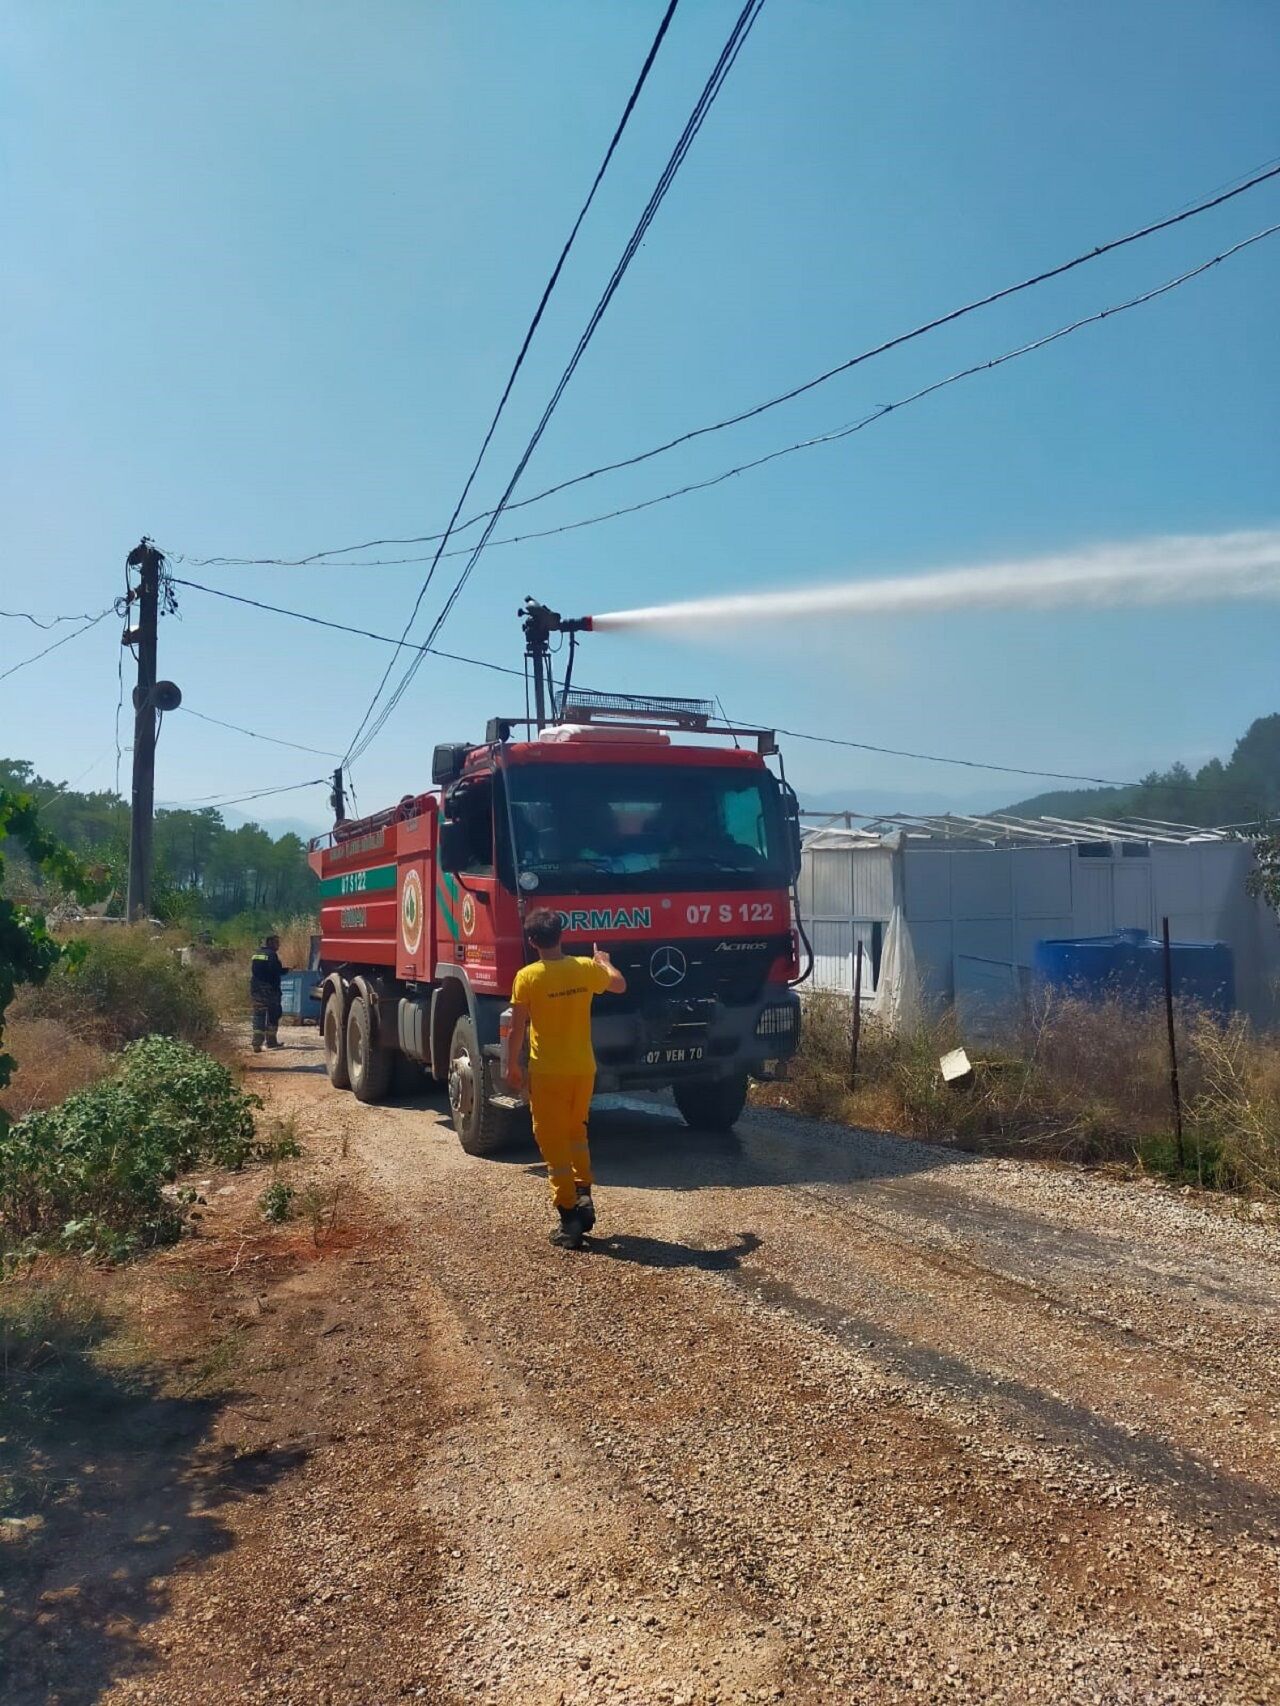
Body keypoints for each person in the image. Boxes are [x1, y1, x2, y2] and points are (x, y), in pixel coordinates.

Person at [508, 908, 626, 1249]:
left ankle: (568, 1215)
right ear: (563, 935)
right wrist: (603, 961)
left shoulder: (528, 977)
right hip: (583, 1068)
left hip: (547, 1070)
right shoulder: (585, 968)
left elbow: (517, 1028)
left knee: (551, 1140)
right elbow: (619, 985)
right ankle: (583, 1192)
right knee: (577, 1132)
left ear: (532, 942)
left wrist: (511, 1065)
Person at [249, 934, 287, 1053]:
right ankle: (271, 1042)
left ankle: (257, 1043)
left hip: (256, 989)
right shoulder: (271, 955)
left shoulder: (256, 954)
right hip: (270, 990)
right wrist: (286, 970)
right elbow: (275, 971)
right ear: (270, 942)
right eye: (276, 942)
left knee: (259, 1014)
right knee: (273, 1014)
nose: (278, 945)